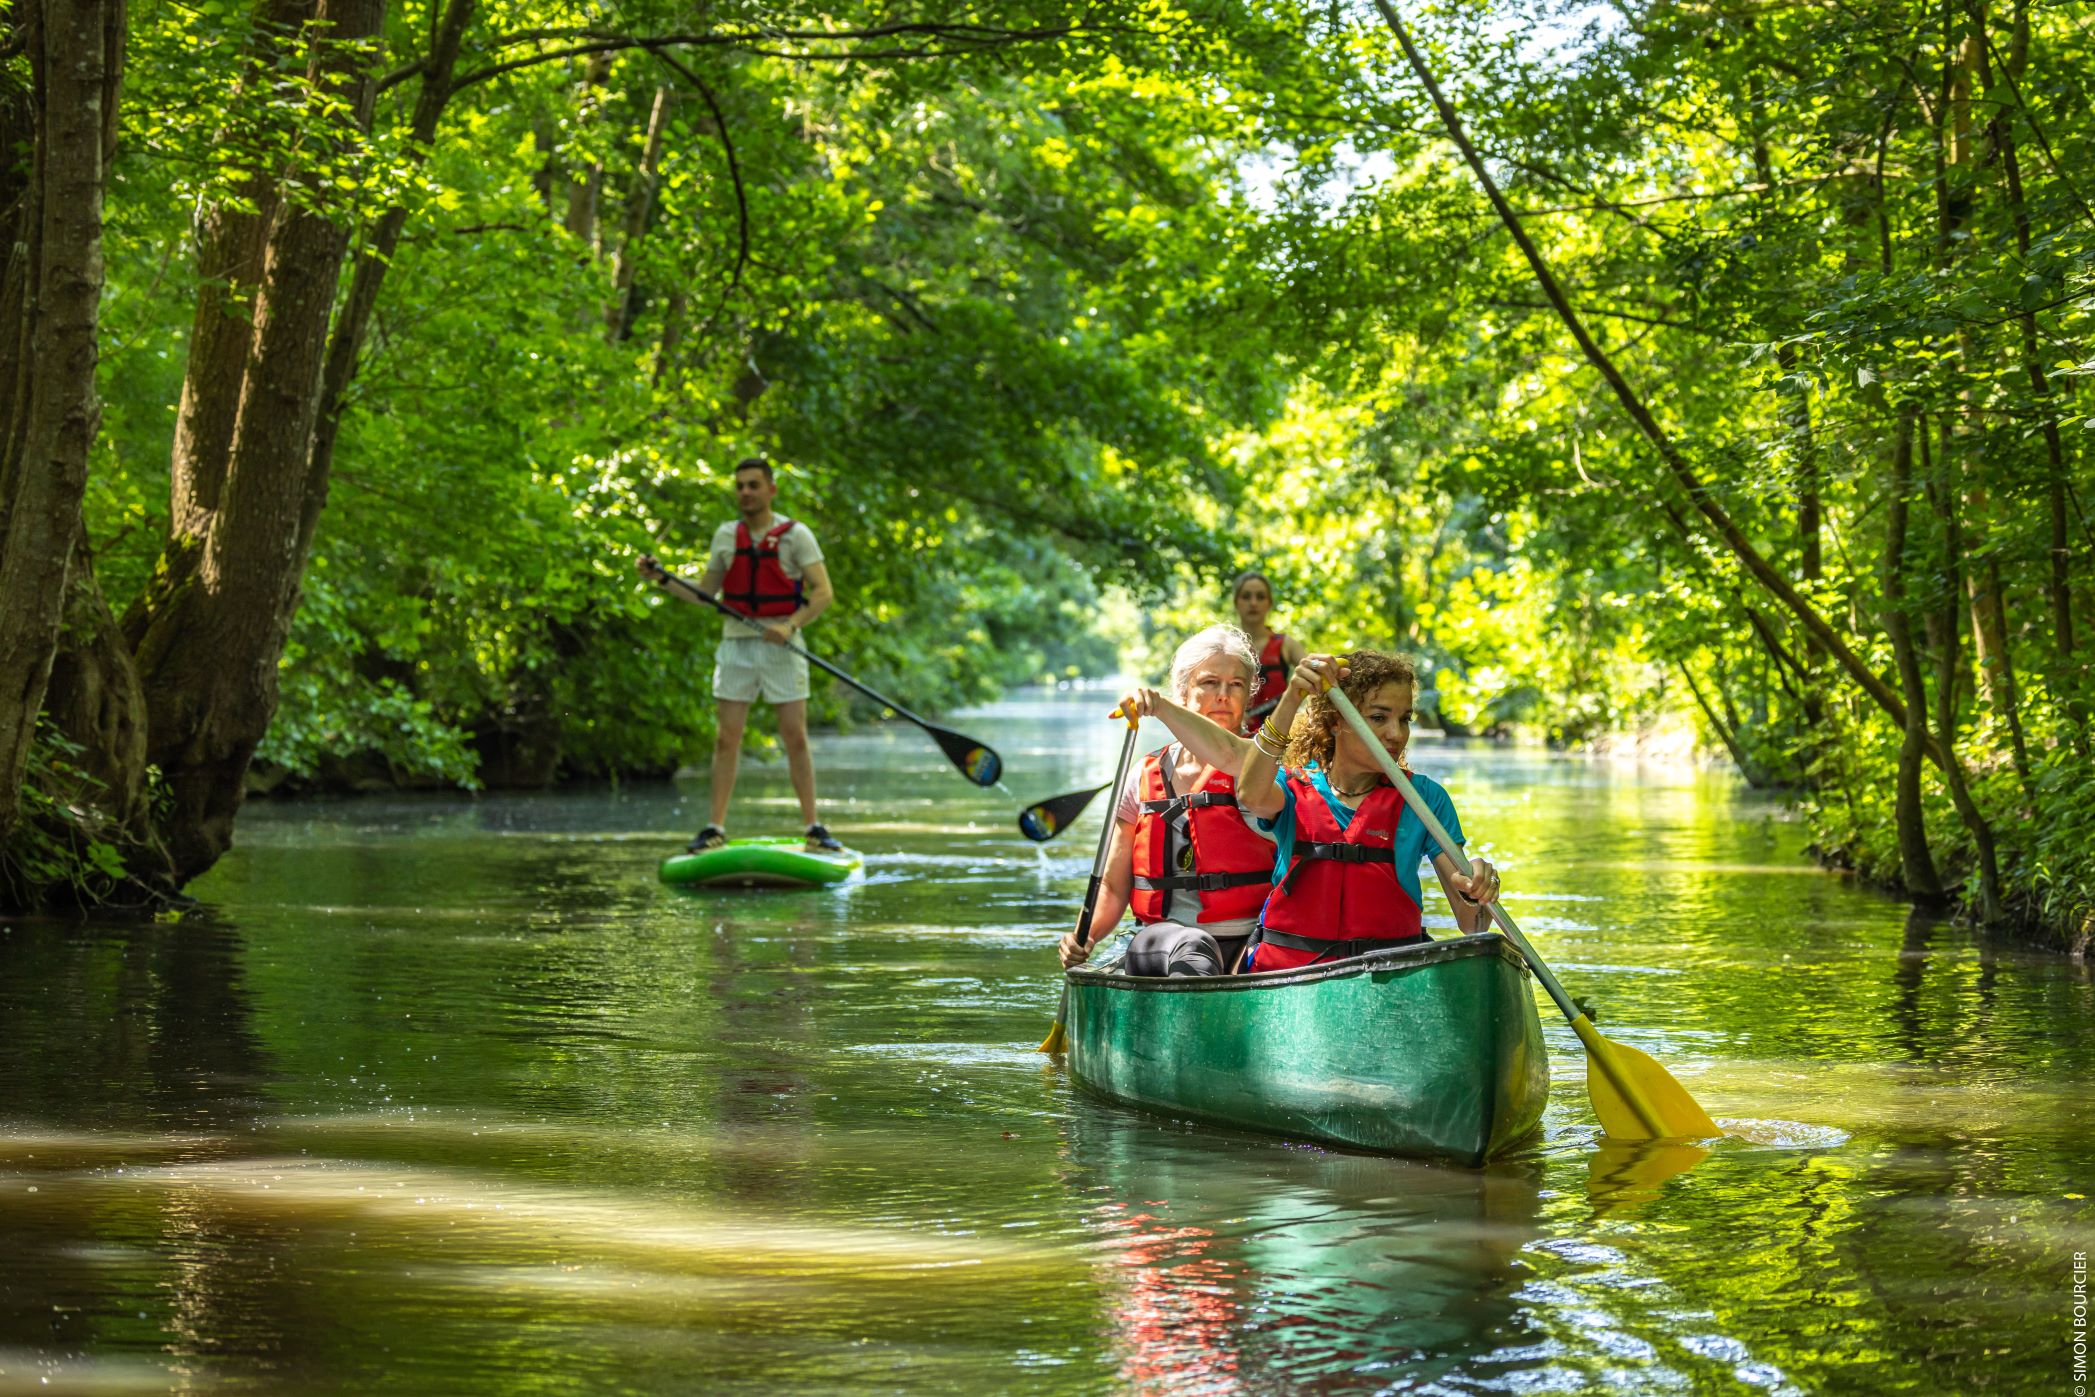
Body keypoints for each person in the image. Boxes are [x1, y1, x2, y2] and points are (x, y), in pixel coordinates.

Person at [1120, 649, 1500, 973]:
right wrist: (1292, 697)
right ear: (1337, 722)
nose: (1396, 734)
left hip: (1384, 978)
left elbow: (1474, 925)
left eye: (1405, 720)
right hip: (1287, 979)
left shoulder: (1426, 799)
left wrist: (1479, 889)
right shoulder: (1292, 788)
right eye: (1379, 718)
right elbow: (1250, 794)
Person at [636, 457, 838, 852]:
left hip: (783, 643)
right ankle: (714, 828)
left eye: (753, 485)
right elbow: (705, 593)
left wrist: (791, 625)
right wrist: (662, 579)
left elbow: (823, 592)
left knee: (795, 736)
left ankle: (813, 826)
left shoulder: (797, 536)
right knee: (727, 738)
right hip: (736, 643)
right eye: (740, 486)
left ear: (771, 490)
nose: (745, 492)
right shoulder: (727, 536)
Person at [1056, 626, 1275, 977]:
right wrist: (1087, 935)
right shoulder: (1142, 777)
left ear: (1248, 695)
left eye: (1235, 684)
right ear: (1182, 692)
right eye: (1209, 682)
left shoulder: (1264, 767)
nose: (1223, 695)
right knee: (1192, 950)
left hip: (1253, 940)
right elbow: (1113, 885)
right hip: (1165, 943)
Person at [1231, 571, 1307, 731]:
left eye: (1260, 597)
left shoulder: (1286, 644)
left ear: (1269, 603)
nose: (1253, 603)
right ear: (1236, 602)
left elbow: (1317, 678)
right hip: (1234, 735)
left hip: (1280, 735)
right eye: (1246, 596)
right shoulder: (1223, 646)